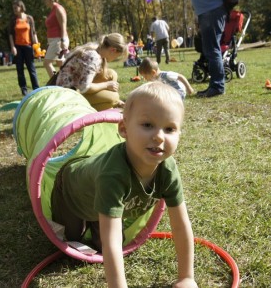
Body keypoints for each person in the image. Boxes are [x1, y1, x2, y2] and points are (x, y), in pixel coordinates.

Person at [51, 81, 197, 288]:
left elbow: (181, 225)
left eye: (169, 129)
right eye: (147, 125)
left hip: (97, 197)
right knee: (71, 242)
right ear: (123, 128)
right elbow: (112, 242)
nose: (158, 136)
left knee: (102, 244)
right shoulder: (113, 174)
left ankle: (97, 220)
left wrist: (186, 277)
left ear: (179, 134)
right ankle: (85, 222)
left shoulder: (167, 168)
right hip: (72, 192)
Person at [51, 33, 126, 111]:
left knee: (112, 74)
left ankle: (109, 105)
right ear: (113, 50)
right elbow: (84, 88)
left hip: (77, 86)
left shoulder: (96, 48)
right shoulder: (93, 57)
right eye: (117, 56)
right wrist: (106, 85)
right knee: (113, 97)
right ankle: (104, 107)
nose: (115, 59)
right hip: (69, 95)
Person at [190, 0, 227, 98]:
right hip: (208, 12)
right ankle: (214, 85)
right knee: (210, 50)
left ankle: (217, 86)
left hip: (211, 12)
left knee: (212, 50)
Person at [8, 0, 40, 96]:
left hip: (28, 47)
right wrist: (13, 47)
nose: (14, 9)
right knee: (20, 69)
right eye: (13, 8)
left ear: (21, 7)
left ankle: (36, 88)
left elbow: (33, 33)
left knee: (31, 68)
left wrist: (37, 46)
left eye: (16, 7)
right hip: (18, 48)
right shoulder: (13, 20)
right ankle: (24, 89)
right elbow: (10, 35)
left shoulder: (29, 18)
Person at [43, 0, 69, 78]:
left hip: (58, 40)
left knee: (47, 63)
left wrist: (63, 40)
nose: (44, 1)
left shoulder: (58, 9)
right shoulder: (52, 10)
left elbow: (63, 26)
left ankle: (55, 83)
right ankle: (65, 82)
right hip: (54, 40)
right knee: (60, 63)